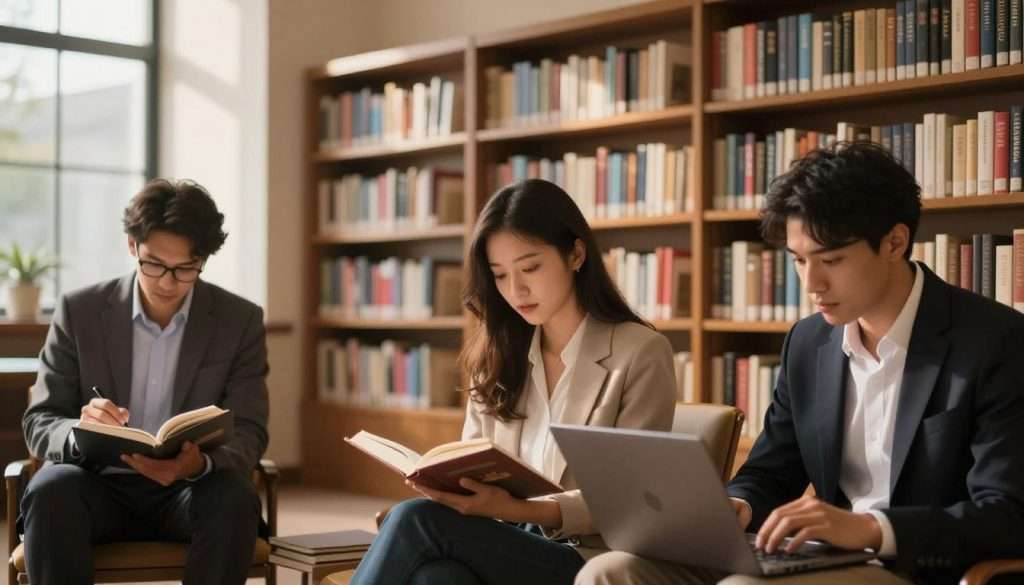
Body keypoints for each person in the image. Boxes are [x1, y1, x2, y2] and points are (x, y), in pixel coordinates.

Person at [575, 142, 1024, 585]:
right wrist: (739, 506)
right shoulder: (809, 343)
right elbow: (773, 470)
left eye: (831, 259)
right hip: (818, 560)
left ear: (895, 242)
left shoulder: (994, 343)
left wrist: (871, 528)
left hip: (915, 567)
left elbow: (1007, 514)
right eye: (798, 261)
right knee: (609, 572)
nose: (811, 283)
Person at [349, 179, 678, 585]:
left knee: (414, 520)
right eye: (500, 275)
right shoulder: (496, 354)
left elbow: (630, 501)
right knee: (438, 578)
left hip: (585, 558)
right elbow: (470, 459)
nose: (516, 290)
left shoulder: (640, 353)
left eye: (531, 268)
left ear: (575, 254)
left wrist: (522, 510)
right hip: (505, 541)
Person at [20, 179, 270, 585]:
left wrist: (200, 463)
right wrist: (79, 431)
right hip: (95, 484)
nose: (168, 282)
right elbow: (41, 419)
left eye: (185, 268)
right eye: (154, 264)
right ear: (132, 246)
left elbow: (250, 429)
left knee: (234, 498)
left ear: (203, 259)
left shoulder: (238, 321)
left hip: (189, 490)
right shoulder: (79, 312)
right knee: (51, 490)